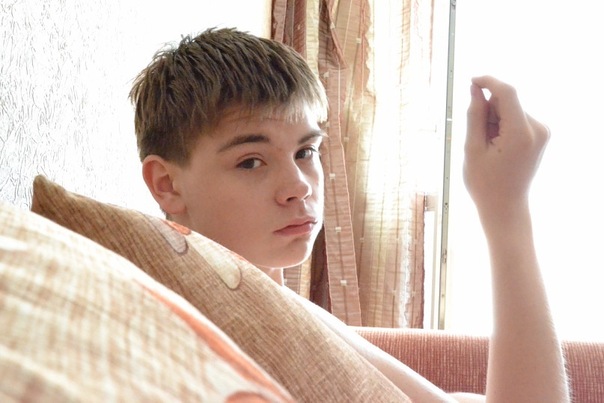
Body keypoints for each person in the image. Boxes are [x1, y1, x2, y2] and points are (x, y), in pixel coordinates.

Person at [130, 27, 570, 402]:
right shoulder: (210, 335)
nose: (299, 186)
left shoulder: (279, 307)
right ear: (167, 184)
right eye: (251, 162)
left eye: (305, 152)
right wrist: (506, 210)